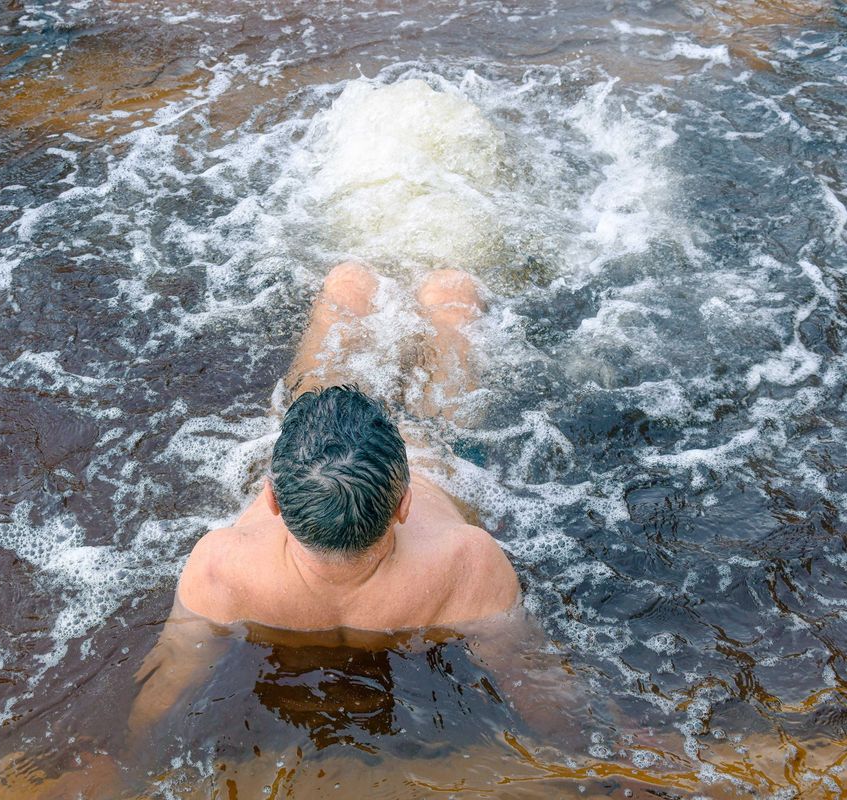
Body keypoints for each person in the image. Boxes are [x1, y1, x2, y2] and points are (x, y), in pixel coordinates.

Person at [125, 262, 569, 747]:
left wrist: (122, 755)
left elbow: (166, 684)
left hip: (327, 496)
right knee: (451, 290)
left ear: (271, 499)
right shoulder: (467, 566)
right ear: (405, 506)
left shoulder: (221, 569)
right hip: (433, 447)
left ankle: (353, 290)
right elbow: (538, 686)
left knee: (348, 281)